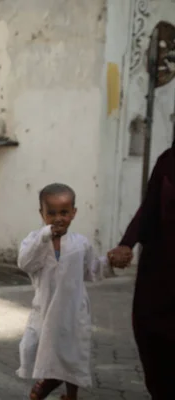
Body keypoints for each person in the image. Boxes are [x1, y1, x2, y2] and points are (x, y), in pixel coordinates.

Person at [16, 183, 108, 400]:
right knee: (45, 350)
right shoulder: (35, 241)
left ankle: (71, 395)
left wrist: (110, 262)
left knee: (73, 354)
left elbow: (92, 270)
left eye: (64, 212)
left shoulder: (81, 244)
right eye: (52, 213)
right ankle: (46, 382)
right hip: (46, 309)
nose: (58, 218)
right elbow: (25, 262)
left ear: (74, 213)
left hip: (74, 311)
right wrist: (45, 235)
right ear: (42, 214)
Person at [108, 141, 175, 399]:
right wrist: (127, 243)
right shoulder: (167, 161)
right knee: (151, 339)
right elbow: (148, 209)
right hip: (159, 273)